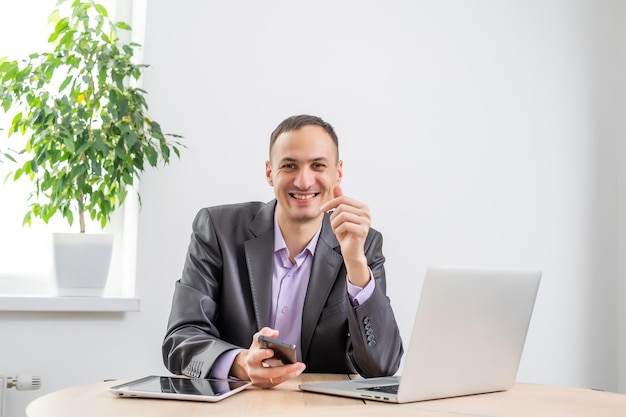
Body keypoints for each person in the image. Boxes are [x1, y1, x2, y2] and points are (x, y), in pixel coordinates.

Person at [162, 114, 403, 388]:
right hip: (238, 402)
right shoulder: (217, 230)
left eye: (318, 165)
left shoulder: (363, 243)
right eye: (289, 166)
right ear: (269, 172)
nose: (303, 181)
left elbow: (382, 367)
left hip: (323, 408)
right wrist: (241, 363)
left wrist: (356, 265)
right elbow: (180, 338)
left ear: (338, 173)